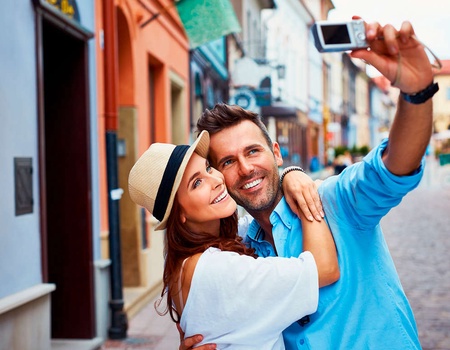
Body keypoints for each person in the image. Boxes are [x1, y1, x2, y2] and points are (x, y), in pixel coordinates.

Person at [181, 18, 438, 349]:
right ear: (217, 173)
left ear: (276, 153)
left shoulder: (336, 202)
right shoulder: (239, 250)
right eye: (228, 161)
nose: (245, 169)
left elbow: (393, 168)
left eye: (253, 151)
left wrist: (416, 94)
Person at [128, 130, 339, 349]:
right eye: (197, 183)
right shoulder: (217, 270)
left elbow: (254, 222)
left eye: (209, 168)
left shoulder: (183, 263)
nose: (216, 180)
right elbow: (324, 269)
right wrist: (306, 189)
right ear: (179, 213)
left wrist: (287, 174)